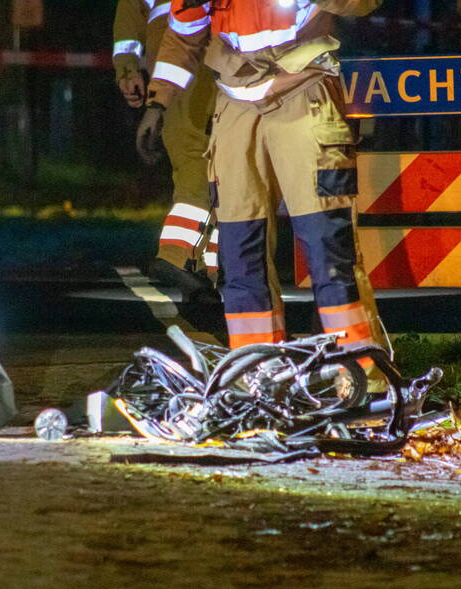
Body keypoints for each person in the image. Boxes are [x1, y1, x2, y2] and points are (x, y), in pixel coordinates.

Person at [138, 0, 390, 362]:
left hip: (304, 91)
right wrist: (158, 102)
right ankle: (257, 370)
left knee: (328, 248)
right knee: (241, 253)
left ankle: (359, 372)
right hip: (235, 103)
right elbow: (184, 36)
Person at [113, 0, 220, 302]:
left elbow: (128, 20)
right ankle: (179, 255)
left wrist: (127, 69)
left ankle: (204, 269)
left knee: (210, 159)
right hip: (201, 44)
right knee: (202, 155)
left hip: (177, 48)